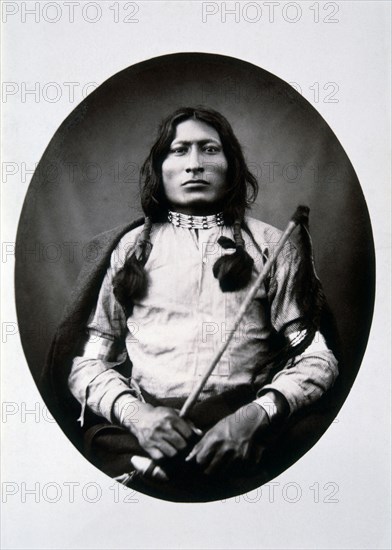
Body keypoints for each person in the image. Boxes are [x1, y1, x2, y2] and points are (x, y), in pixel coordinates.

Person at [44, 107, 339, 499]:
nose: (195, 165)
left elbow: (318, 359)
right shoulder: (130, 250)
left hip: (242, 426)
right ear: (160, 167)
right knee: (102, 451)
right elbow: (88, 364)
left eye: (209, 150)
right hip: (151, 432)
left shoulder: (273, 245)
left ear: (231, 165)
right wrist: (138, 416)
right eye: (179, 151)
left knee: (311, 440)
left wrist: (256, 415)